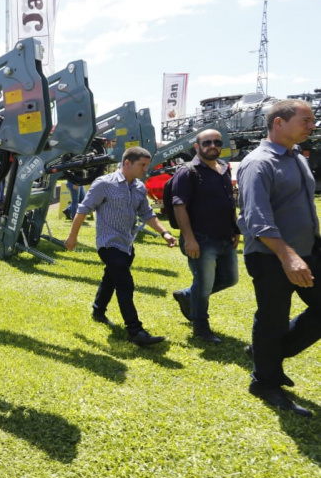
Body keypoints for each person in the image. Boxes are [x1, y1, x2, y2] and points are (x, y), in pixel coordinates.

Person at [237, 99, 321, 417]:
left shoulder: (296, 156)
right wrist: (288, 257)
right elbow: (257, 220)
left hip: (306, 252)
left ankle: (266, 354)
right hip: (271, 256)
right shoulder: (258, 163)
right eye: (305, 120)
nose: (311, 125)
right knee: (273, 318)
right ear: (279, 123)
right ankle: (264, 382)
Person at [65, 146, 177, 346]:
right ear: (127, 163)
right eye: (142, 165)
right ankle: (135, 331)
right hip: (108, 244)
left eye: (146, 165)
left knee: (111, 277)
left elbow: (147, 214)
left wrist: (164, 232)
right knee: (125, 284)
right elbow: (83, 210)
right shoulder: (104, 184)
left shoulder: (139, 187)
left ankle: (98, 310)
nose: (145, 169)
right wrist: (72, 237)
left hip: (127, 244)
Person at [170, 129, 240, 344]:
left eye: (217, 142)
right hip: (201, 239)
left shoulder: (223, 169)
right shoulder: (188, 171)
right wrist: (189, 238)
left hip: (225, 236)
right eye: (207, 142)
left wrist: (235, 228)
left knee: (230, 279)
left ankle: (187, 295)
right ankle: (201, 328)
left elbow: (229, 202)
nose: (213, 146)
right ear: (197, 147)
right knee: (204, 282)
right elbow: (179, 205)